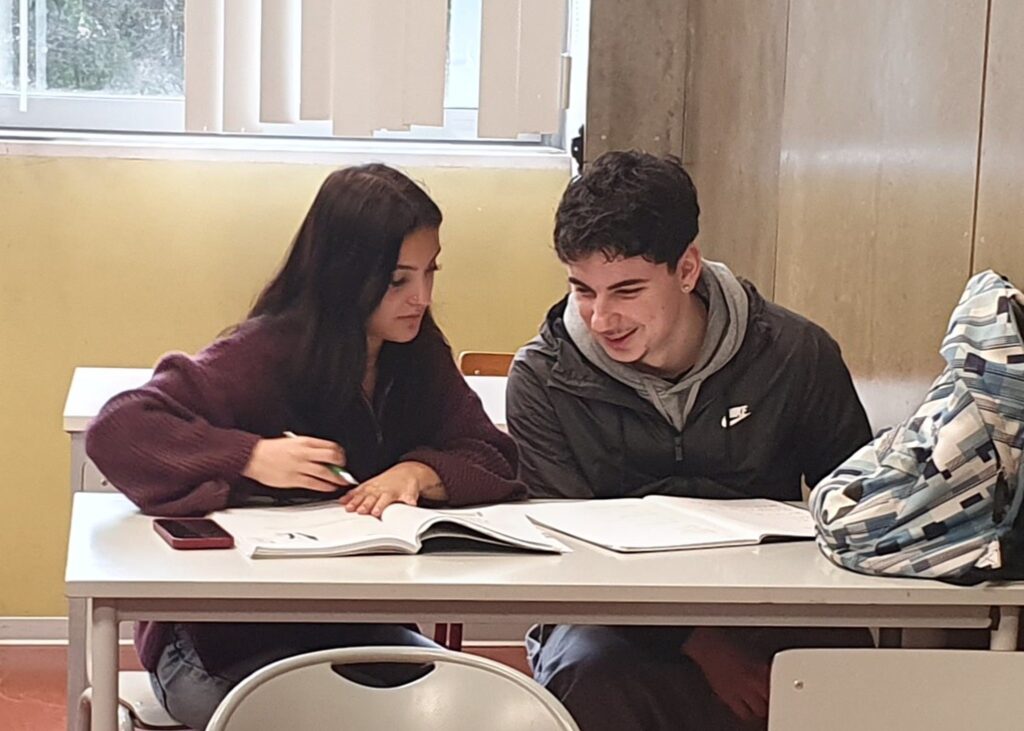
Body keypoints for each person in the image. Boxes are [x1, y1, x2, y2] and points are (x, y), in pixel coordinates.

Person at [86, 164, 525, 729]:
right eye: (398, 280)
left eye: (430, 272)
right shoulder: (266, 353)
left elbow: (493, 456)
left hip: (355, 631)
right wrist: (251, 456)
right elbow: (118, 430)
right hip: (216, 648)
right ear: (345, 274)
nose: (422, 297)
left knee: (474, 705)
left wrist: (418, 473)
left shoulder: (418, 356)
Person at [506, 150, 872, 731]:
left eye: (627, 290)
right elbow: (568, 560)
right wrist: (707, 649)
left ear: (686, 269)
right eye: (583, 290)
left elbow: (859, 512)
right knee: (593, 677)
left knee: (848, 668)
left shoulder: (796, 354)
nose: (601, 319)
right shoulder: (542, 377)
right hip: (609, 615)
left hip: (769, 601)